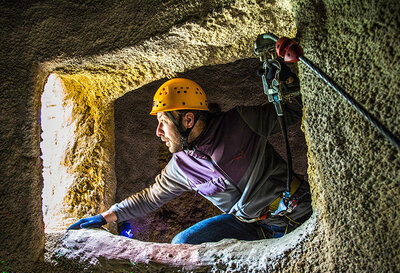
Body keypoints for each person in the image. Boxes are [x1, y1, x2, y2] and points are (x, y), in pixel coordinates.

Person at [68, 77, 312, 244]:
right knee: (183, 243)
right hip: (249, 224)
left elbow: (292, 109)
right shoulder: (181, 167)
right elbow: (150, 197)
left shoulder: (240, 123)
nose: (158, 132)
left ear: (187, 120)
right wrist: (105, 217)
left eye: (163, 121)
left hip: (294, 211)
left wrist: (289, 81)